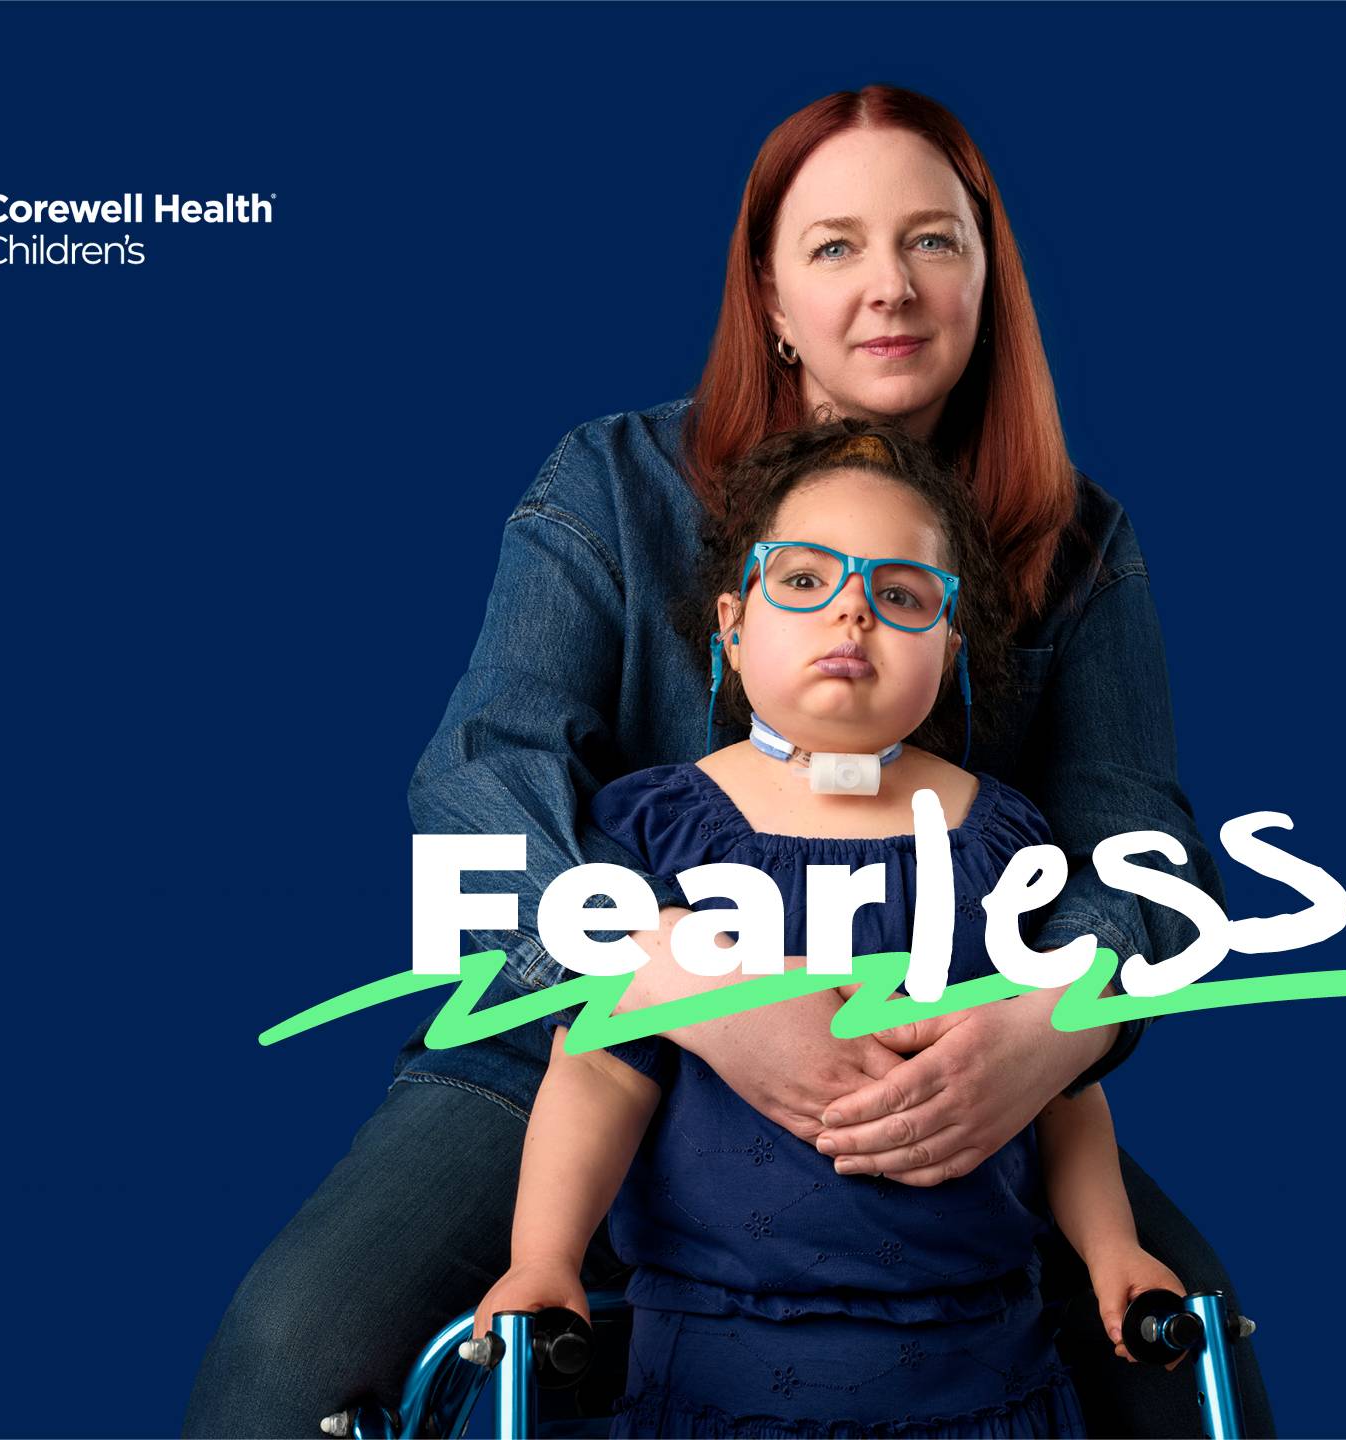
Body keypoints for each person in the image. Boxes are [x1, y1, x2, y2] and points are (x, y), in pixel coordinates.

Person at [184, 84, 1276, 1437]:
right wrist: (671, 979)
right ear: (767, 294)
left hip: (925, 1059)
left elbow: (1146, 851)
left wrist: (1051, 1025)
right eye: (835, 246)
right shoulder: (611, 486)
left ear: (990, 277)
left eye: (934, 241)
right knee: (290, 1356)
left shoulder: (1079, 541)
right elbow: (481, 773)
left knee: (1188, 1358)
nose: (890, 286)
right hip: (582, 1033)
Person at [474, 420, 1186, 1437]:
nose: (852, 610)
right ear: (731, 625)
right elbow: (593, 1068)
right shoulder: (658, 831)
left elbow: (1057, 1078)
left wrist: (1112, 1248)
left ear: (949, 645)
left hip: (977, 1357)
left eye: (898, 595)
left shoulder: (1001, 841)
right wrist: (541, 1259)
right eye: (803, 581)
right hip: (721, 1357)